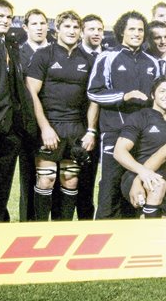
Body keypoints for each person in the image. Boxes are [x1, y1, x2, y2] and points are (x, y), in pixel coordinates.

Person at [26, 10, 98, 221]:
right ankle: (40, 229)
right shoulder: (43, 55)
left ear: (81, 31)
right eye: (67, 26)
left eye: (76, 27)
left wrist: (91, 131)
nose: (72, 31)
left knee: (70, 180)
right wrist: (45, 128)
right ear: (56, 29)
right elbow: (31, 93)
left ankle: (62, 231)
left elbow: (94, 99)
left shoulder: (88, 59)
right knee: (46, 180)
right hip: (50, 127)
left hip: (75, 128)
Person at [87, 10, 159, 219]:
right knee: (110, 188)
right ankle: (103, 238)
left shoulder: (152, 62)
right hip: (114, 133)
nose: (137, 33)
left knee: (135, 188)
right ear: (122, 32)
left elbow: (158, 95)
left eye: (140, 29)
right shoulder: (107, 58)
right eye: (132, 29)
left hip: (143, 136)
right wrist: (123, 96)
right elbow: (93, 92)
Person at [0, 0, 35, 222]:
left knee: (1, 192)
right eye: (0, 16)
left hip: (9, 132)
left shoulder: (10, 45)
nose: (5, 20)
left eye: (8, 17)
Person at [114, 77, 166, 218]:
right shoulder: (140, 117)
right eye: (162, 91)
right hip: (138, 178)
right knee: (157, 187)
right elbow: (119, 152)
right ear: (153, 95)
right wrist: (143, 174)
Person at [18, 8, 49, 222]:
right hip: (27, 127)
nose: (39, 27)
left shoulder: (56, 51)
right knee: (28, 179)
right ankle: (28, 225)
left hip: (55, 124)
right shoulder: (17, 53)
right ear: (25, 27)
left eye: (42, 23)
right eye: (34, 24)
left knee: (55, 179)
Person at [76, 13, 105, 220]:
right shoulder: (74, 55)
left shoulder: (109, 55)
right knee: (84, 180)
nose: (96, 33)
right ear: (82, 31)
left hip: (109, 127)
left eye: (100, 29)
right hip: (83, 127)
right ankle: (85, 222)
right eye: (91, 29)